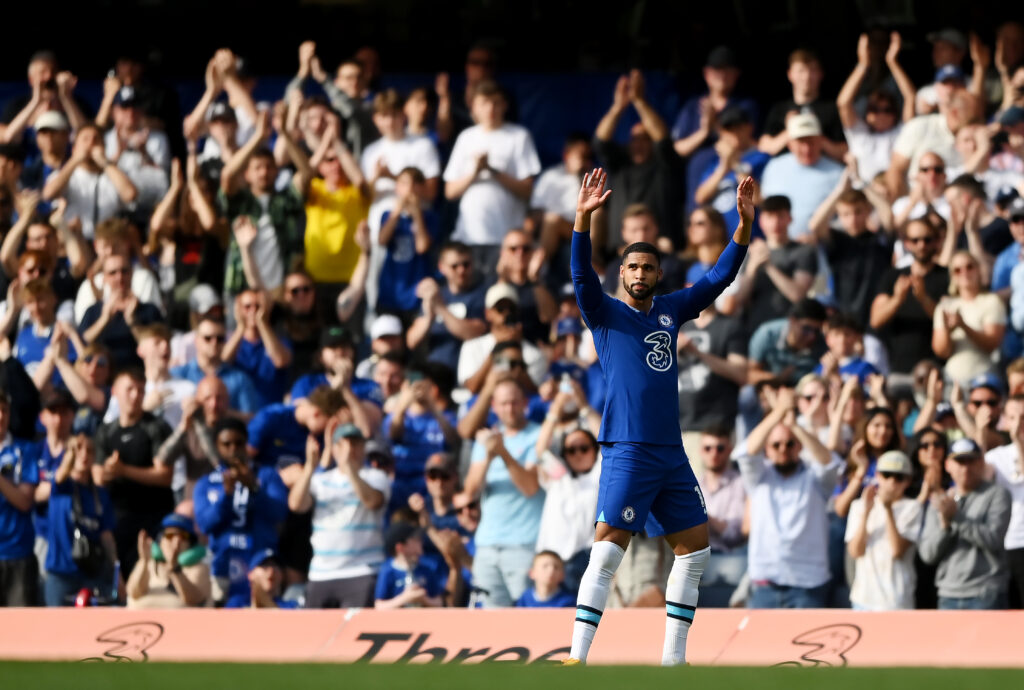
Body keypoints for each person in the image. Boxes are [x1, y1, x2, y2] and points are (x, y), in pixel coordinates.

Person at [564, 169, 751, 667]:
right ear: (621, 274)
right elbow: (581, 274)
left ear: (658, 274)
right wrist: (582, 218)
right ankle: (575, 658)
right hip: (627, 448)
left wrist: (743, 225)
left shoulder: (671, 310)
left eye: (648, 267)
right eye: (632, 268)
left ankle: (674, 663)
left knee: (694, 551)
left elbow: (719, 277)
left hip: (671, 453)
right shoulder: (603, 312)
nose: (640, 274)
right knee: (606, 552)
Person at [736, 387, 844, 608]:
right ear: (767, 449)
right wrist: (779, 413)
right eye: (776, 444)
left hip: (808, 587)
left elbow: (830, 462)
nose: (783, 449)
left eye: (790, 443)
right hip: (766, 585)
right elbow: (747, 451)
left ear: (799, 447)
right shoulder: (758, 477)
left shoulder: (816, 479)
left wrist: (794, 425)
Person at [289, 424, 390, 608]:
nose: (349, 450)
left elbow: (372, 501)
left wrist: (350, 469)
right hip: (321, 572)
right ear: (333, 449)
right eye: (343, 445)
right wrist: (310, 467)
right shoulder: (321, 481)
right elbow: (296, 504)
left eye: (355, 444)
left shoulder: (375, 477)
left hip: (362, 570)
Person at [443, 79, 540, 270]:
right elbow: (450, 192)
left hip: (506, 241)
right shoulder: (466, 138)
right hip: (468, 238)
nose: (490, 108)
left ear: (504, 105)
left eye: (495, 102)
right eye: (484, 103)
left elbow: (528, 191)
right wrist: (475, 172)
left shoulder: (519, 136)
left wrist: (493, 171)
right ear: (474, 107)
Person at [464, 377, 544, 607]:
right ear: (494, 407)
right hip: (487, 543)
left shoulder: (538, 435)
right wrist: (489, 455)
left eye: (514, 402)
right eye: (504, 403)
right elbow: (471, 491)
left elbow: (530, 487)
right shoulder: (486, 440)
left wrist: (502, 453)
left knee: (527, 616)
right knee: (491, 622)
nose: (509, 408)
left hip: (524, 543)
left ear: (525, 403)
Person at [193, 417, 289, 606]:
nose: (233, 449)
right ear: (217, 446)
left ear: (246, 443)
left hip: (259, 564)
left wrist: (254, 488)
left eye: (238, 443)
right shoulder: (206, 483)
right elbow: (205, 524)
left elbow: (279, 513)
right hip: (223, 565)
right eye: (226, 444)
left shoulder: (266, 475)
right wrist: (226, 497)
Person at [591, 71, 683, 254]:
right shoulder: (620, 164)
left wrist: (640, 102)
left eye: (644, 138)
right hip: (618, 254)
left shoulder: (665, 164)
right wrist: (618, 107)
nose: (638, 143)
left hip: (659, 252)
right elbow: (600, 142)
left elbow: (663, 140)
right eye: (634, 138)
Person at [94, 369, 174, 576]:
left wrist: (123, 470)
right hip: (118, 522)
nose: (135, 395)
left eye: (140, 390)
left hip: (153, 519)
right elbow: (98, 476)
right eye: (129, 389)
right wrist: (110, 471)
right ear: (115, 392)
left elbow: (165, 476)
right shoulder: (106, 432)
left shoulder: (156, 427)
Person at [919, 438, 1012, 609]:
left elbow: (994, 539)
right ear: (948, 465)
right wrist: (945, 527)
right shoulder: (941, 501)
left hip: (986, 592)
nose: (966, 468)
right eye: (960, 461)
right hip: (948, 593)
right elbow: (928, 555)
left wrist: (956, 518)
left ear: (982, 462)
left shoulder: (997, 494)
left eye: (971, 460)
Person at [43, 434, 117, 606]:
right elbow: (60, 476)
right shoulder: (63, 486)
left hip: (91, 574)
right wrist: (69, 453)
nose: (84, 455)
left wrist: (116, 572)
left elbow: (106, 535)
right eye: (78, 450)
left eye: (89, 451)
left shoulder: (99, 494)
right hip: (60, 573)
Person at [845, 450, 922, 611]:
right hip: (863, 599)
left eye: (899, 477)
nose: (892, 481)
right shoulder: (859, 506)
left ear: (907, 481)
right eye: (887, 475)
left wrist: (887, 509)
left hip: (897, 600)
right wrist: (866, 512)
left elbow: (897, 550)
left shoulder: (913, 507)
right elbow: (855, 551)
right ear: (878, 476)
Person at [870, 219, 950, 375]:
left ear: (937, 242)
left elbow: (950, 322)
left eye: (927, 239)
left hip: (936, 370)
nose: (922, 245)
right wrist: (897, 299)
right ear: (906, 243)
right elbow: (875, 321)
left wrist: (923, 298)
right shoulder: (893, 276)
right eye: (915, 240)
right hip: (899, 369)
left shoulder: (947, 276)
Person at [837, 33, 917, 182]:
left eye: (887, 110)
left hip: (896, 198)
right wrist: (863, 65)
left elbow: (910, 97)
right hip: (867, 199)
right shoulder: (859, 135)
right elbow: (843, 103)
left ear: (895, 114)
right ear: (867, 114)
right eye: (874, 110)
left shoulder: (901, 133)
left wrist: (892, 62)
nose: (880, 114)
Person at [406, 241, 488, 372]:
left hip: (469, 374)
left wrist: (441, 308)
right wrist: (429, 316)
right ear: (441, 267)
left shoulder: (481, 294)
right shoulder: (435, 295)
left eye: (466, 264)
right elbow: (412, 341)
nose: (461, 270)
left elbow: (475, 331)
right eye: (454, 266)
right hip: (436, 374)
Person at [759, 113, 844, 239]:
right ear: (789, 144)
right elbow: (766, 208)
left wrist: (820, 237)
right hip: (779, 250)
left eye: (811, 142)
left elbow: (847, 217)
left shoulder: (838, 173)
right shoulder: (774, 167)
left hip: (824, 251)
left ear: (821, 141)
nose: (806, 149)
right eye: (801, 142)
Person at [933, 251, 1006, 385]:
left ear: (978, 270)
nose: (964, 272)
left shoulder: (991, 301)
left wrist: (963, 326)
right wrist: (947, 331)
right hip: (952, 378)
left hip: (985, 378)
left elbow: (992, 344)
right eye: (957, 270)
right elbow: (942, 352)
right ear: (952, 276)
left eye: (969, 267)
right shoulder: (944, 306)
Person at [0, 390, 41, 606]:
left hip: (18, 554)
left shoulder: (24, 450)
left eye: (4, 410)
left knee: (20, 632)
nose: (0, 416)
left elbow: (25, 501)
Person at [985, 394, 1024, 608]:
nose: (1019, 424)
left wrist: (1019, 443)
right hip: (1005, 546)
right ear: (1005, 421)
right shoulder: (995, 457)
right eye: (1013, 417)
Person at [126, 513, 212, 609]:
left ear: (190, 543)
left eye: (183, 536)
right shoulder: (147, 565)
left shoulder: (198, 568)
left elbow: (195, 599)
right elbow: (133, 592)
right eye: (169, 535)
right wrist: (144, 561)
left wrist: (175, 568)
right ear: (160, 541)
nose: (176, 541)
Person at [695, 427, 745, 554]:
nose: (714, 453)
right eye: (708, 448)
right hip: (696, 556)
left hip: (729, 558)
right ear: (701, 451)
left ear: (729, 450)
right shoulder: (694, 485)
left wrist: (704, 516)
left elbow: (735, 535)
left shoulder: (740, 483)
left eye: (720, 448)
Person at [374, 521, 444, 609]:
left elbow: (439, 602)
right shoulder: (388, 571)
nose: (421, 541)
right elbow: (379, 606)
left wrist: (424, 600)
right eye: (415, 539)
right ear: (400, 547)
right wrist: (406, 598)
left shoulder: (426, 570)